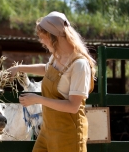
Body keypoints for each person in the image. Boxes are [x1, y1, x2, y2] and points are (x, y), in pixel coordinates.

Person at [7, 11, 95, 152]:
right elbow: (47, 70)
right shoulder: (56, 57)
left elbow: (73, 106)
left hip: (68, 136)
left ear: (54, 38)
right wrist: (18, 68)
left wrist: (38, 99)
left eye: (43, 37)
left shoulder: (79, 65)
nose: (41, 41)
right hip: (48, 131)